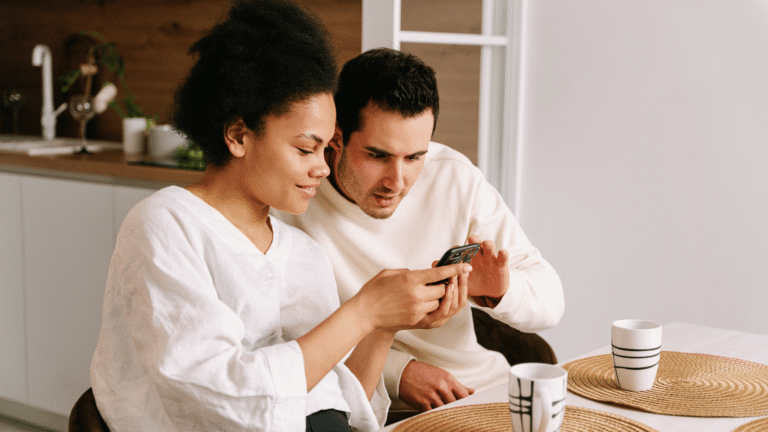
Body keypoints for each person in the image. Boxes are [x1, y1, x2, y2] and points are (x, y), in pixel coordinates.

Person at [89, 4, 471, 431]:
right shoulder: (166, 224)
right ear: (239, 135)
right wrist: (362, 311)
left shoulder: (301, 252)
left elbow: (345, 407)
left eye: (327, 149)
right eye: (306, 149)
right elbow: (221, 396)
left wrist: (384, 324)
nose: (323, 168)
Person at [274, 48, 565, 414]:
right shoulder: (293, 202)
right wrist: (399, 373)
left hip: (482, 390)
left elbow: (551, 303)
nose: (397, 182)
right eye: (378, 156)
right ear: (337, 137)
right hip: (370, 408)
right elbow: (288, 343)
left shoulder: (454, 177)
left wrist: (499, 289)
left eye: (415, 157)